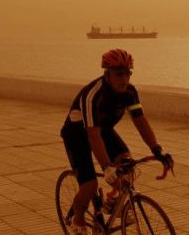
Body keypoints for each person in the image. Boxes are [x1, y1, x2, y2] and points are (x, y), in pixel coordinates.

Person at [61, 48, 173, 235]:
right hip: (77, 134)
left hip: (103, 129)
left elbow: (140, 121)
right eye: (118, 74)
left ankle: (113, 203)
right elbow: (92, 135)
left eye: (127, 73)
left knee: (126, 165)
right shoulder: (93, 95)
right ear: (107, 74)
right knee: (89, 186)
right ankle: (77, 218)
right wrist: (106, 167)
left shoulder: (130, 92)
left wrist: (157, 150)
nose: (123, 79)